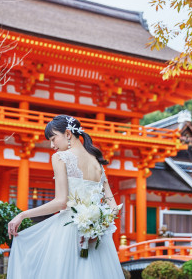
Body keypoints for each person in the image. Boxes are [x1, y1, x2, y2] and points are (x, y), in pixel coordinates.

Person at [7, 115, 125, 278]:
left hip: (69, 232)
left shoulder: (60, 157)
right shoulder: (97, 163)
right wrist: (96, 228)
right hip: (98, 238)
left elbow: (61, 203)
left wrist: (22, 214)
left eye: (53, 138)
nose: (52, 145)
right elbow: (113, 207)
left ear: (68, 134)